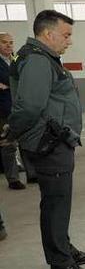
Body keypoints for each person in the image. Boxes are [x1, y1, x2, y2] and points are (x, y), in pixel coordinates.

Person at [7, 10, 85, 269]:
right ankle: (60, 263)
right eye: (66, 35)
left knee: (59, 202)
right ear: (48, 34)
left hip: (56, 140)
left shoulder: (45, 58)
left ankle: (64, 250)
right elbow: (30, 105)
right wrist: (12, 130)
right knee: (56, 204)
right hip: (49, 142)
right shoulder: (36, 60)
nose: (69, 41)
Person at [1, 32, 28, 190]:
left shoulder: (16, 59)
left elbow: (24, 80)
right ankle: (13, 179)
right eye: (5, 42)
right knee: (8, 144)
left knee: (25, 141)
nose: (9, 45)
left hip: (21, 108)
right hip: (4, 109)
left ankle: (31, 174)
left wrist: (7, 86)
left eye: (11, 42)